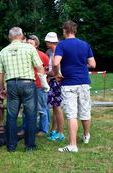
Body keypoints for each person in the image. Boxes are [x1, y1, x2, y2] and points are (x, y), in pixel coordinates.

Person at [0, 27, 50, 152]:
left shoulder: (3, 51)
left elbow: (0, 75)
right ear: (21, 36)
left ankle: (11, 146)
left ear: (10, 37)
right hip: (28, 84)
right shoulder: (30, 48)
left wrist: (2, 89)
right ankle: (30, 146)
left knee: (11, 116)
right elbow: (40, 67)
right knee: (31, 115)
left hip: (11, 85)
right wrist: (43, 84)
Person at [52, 21, 96, 152]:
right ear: (74, 31)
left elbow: (55, 62)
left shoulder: (62, 45)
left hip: (69, 83)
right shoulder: (85, 44)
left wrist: (56, 74)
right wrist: (81, 66)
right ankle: (86, 135)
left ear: (65, 31)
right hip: (84, 82)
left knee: (72, 114)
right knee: (85, 111)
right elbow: (93, 64)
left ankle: (72, 145)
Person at [18, 35, 50, 137]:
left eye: (31, 43)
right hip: (27, 85)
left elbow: (47, 70)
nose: (28, 45)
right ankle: (24, 128)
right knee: (25, 109)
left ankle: (43, 129)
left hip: (39, 86)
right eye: (27, 43)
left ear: (36, 45)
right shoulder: (23, 55)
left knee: (42, 109)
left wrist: (44, 83)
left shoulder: (43, 56)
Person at [45, 32, 65, 141]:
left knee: (57, 108)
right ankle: (54, 130)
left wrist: (46, 73)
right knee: (55, 107)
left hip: (58, 80)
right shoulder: (51, 52)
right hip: (54, 81)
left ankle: (60, 133)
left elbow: (55, 69)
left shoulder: (58, 51)